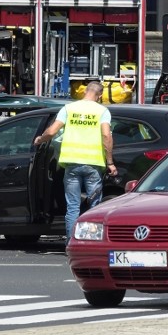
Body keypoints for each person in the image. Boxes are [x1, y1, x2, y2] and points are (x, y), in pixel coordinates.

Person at [33, 81, 117, 241]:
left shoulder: (69, 108)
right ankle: (91, 243)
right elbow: (106, 136)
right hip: (93, 164)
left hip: (71, 164)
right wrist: (110, 162)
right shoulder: (102, 111)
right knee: (94, 208)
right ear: (100, 95)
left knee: (72, 207)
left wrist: (39, 140)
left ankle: (72, 243)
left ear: (85, 91)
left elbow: (51, 131)